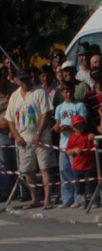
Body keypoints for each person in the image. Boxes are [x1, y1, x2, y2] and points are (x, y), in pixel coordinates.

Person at [4, 69, 55, 209]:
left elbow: (46, 113)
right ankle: (35, 199)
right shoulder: (15, 96)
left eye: (27, 79)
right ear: (19, 81)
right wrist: (16, 135)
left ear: (31, 79)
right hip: (23, 139)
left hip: (41, 137)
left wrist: (38, 133)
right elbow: (10, 120)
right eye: (22, 80)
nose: (25, 82)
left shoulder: (40, 92)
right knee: (28, 171)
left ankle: (47, 199)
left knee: (45, 168)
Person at [53, 81, 89, 207]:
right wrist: (57, 128)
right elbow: (56, 124)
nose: (67, 94)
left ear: (73, 91)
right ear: (62, 93)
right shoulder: (59, 108)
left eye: (69, 91)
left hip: (76, 142)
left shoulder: (79, 105)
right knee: (64, 171)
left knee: (77, 172)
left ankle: (78, 198)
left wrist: (69, 127)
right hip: (63, 143)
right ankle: (67, 198)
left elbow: (84, 124)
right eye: (65, 91)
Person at [65, 115, 95, 208]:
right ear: (73, 127)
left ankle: (91, 200)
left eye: (81, 125)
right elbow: (67, 151)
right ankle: (83, 201)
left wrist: (94, 138)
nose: (79, 128)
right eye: (76, 126)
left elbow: (95, 147)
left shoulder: (88, 136)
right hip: (77, 166)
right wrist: (74, 150)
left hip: (89, 165)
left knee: (90, 185)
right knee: (79, 186)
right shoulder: (72, 138)